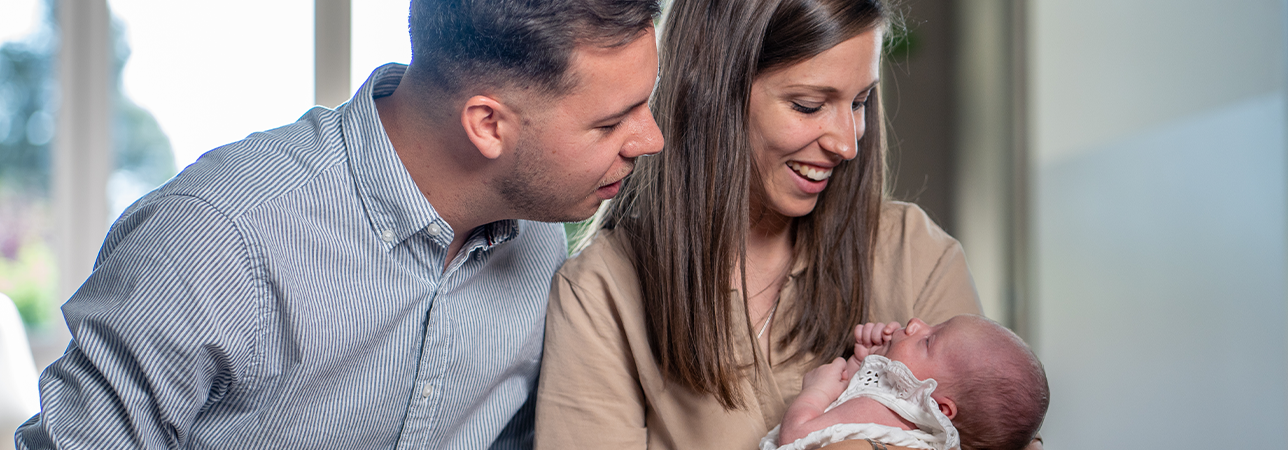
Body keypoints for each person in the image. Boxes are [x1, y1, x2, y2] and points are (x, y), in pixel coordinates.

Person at [15, 0, 661, 448]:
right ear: (487, 124)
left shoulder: (537, 229)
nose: (651, 139)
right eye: (611, 123)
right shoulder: (217, 238)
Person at [533, 0, 997, 449]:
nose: (846, 145)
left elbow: (999, 432)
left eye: (860, 101)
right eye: (809, 106)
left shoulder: (915, 252)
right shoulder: (602, 291)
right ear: (713, 93)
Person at [767, 315, 1048, 450]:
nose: (915, 323)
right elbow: (848, 403)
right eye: (934, 324)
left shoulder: (881, 411)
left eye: (928, 340)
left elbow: (796, 437)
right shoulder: (903, 417)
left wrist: (815, 391)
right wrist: (866, 360)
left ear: (939, 407)